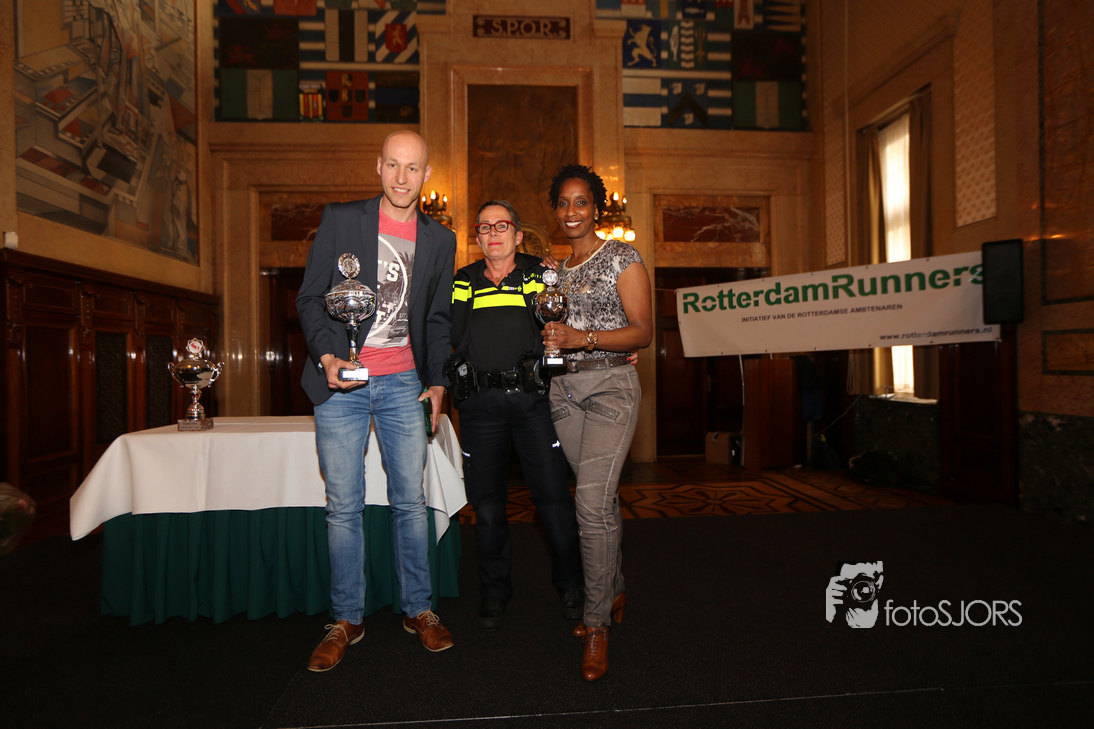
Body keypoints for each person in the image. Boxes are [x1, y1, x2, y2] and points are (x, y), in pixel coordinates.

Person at [296, 130, 456, 672]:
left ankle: (419, 609)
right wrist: (326, 357)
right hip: (341, 384)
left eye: (413, 168)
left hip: (404, 383)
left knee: (410, 501)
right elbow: (310, 297)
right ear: (378, 166)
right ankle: (347, 618)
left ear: (426, 174)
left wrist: (438, 383)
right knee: (343, 505)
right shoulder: (342, 219)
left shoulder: (441, 239)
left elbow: (437, 319)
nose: (402, 178)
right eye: (393, 165)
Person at [447, 200, 584, 632]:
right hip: (480, 407)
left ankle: (571, 586)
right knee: (487, 507)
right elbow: (452, 333)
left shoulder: (539, 274)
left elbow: (568, 317)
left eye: (501, 225)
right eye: (484, 227)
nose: (492, 233)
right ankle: (494, 593)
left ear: (518, 234)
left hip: (532, 404)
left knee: (553, 500)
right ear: (477, 236)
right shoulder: (463, 279)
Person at [542, 164, 653, 682]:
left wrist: (581, 339)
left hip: (611, 386)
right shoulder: (557, 271)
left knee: (588, 505)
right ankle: (615, 589)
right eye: (563, 202)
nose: (571, 211)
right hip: (564, 393)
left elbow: (642, 332)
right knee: (600, 501)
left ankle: (597, 624)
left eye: (581, 201)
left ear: (597, 207)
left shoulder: (622, 257)